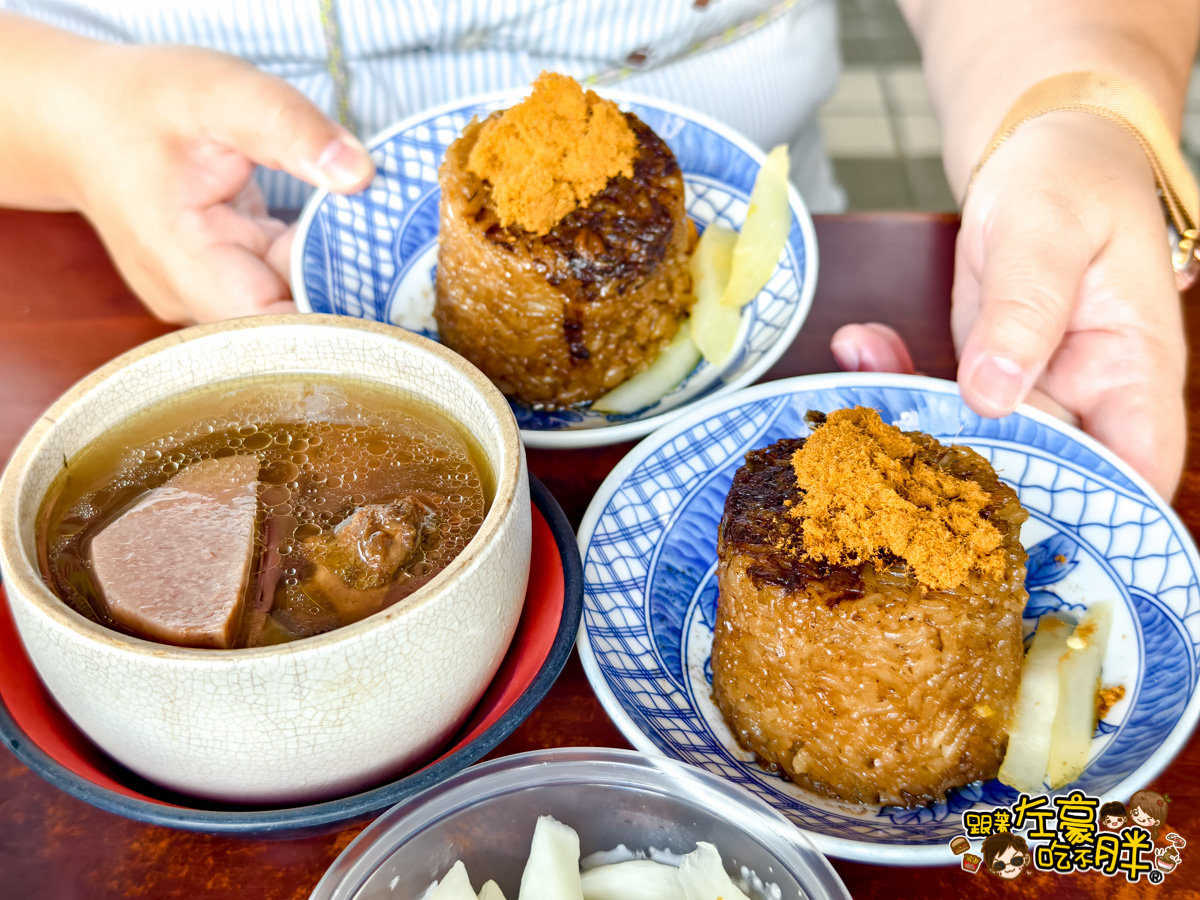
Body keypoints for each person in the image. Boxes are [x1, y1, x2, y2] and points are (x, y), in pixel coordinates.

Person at [0, 1, 1194, 500]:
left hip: (774, 310)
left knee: (1095, 841)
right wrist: (68, 114)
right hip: (113, 279)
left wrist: (1076, 109)